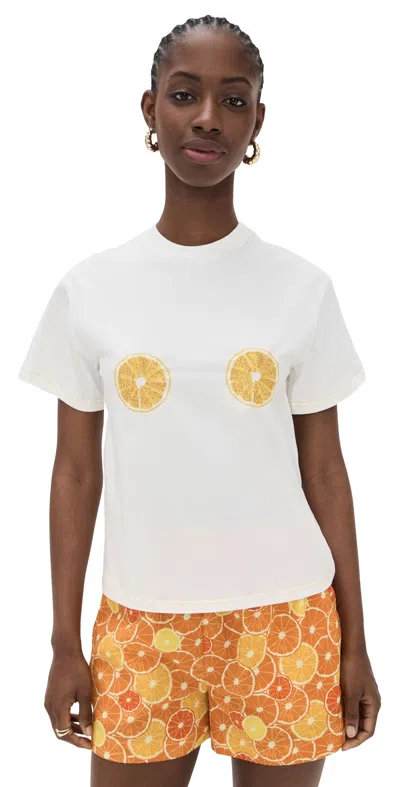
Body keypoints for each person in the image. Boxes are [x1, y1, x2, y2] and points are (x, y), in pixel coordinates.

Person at [17, 14, 381, 787]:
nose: (209, 117)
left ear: (257, 122)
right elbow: (75, 474)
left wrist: (356, 642)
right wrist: (63, 641)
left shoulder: (302, 288)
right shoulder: (91, 289)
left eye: (234, 99)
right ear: (150, 109)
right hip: (141, 623)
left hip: (288, 619)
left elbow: (326, 472)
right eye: (185, 95)